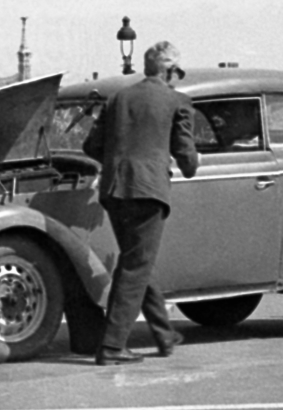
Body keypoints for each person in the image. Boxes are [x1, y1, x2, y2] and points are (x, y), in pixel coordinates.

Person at [82, 40, 199, 364]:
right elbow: (188, 161)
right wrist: (182, 160)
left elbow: (90, 145)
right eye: (178, 72)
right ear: (169, 70)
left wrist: (120, 158)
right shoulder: (178, 102)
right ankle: (111, 346)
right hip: (148, 192)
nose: (179, 78)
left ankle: (164, 335)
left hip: (114, 190)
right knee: (135, 266)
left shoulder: (119, 97)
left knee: (138, 262)